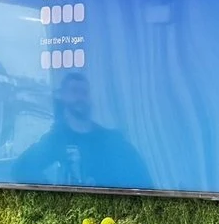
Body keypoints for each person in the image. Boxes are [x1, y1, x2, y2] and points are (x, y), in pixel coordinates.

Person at [12, 71, 151, 189]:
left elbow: (142, 179)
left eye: (84, 92)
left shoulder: (110, 139)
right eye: (74, 91)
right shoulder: (56, 140)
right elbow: (21, 169)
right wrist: (54, 193)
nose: (80, 97)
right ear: (63, 96)